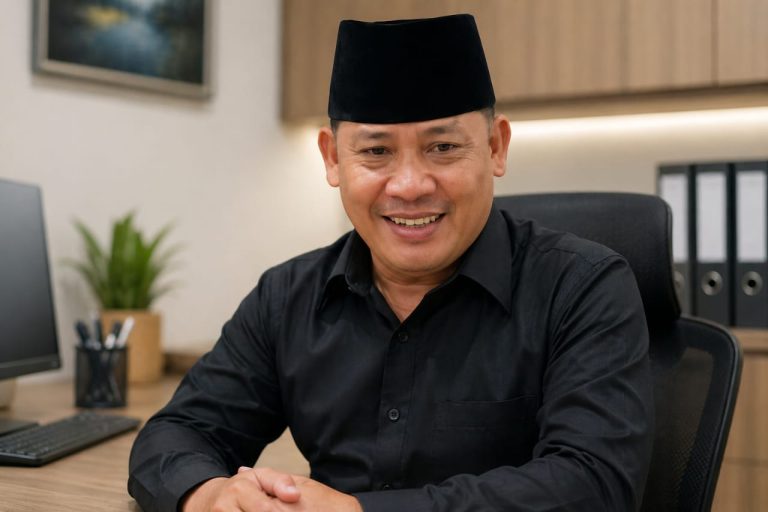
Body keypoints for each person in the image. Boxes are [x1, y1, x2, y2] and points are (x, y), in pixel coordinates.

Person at [128, 14, 653, 512]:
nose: (409, 185)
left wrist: (358, 510)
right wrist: (208, 495)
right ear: (333, 159)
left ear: (496, 147)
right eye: (376, 153)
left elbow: (593, 483)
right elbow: (177, 433)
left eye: (443, 147)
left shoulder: (582, 287)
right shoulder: (287, 297)